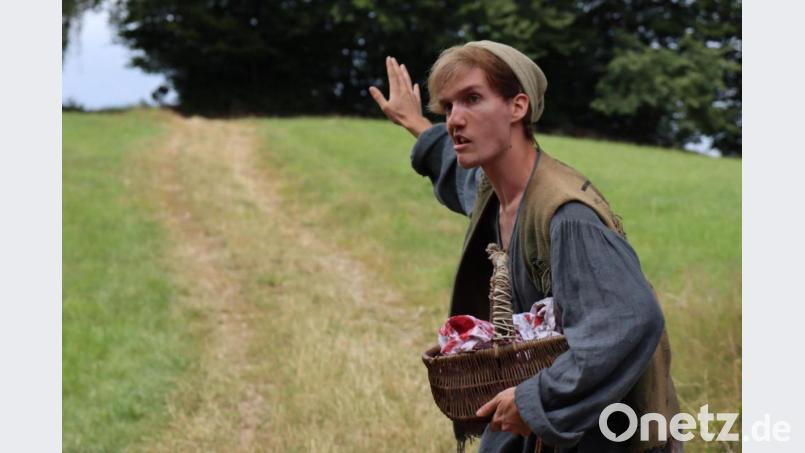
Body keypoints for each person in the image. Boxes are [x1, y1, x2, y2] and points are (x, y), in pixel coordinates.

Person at [369, 41, 680, 453]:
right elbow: (462, 177)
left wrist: (535, 402)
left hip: (602, 433)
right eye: (448, 107)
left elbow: (629, 321)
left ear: (518, 106)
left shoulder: (567, 217)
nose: (455, 119)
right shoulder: (496, 191)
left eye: (472, 99)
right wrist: (416, 123)